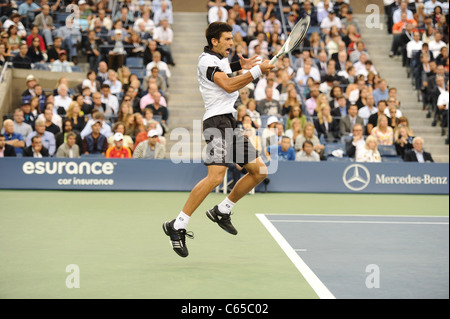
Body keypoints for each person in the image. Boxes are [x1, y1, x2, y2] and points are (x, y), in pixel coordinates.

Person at [162, 22, 274, 258]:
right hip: (216, 123)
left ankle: (222, 210)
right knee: (215, 177)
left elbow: (225, 70)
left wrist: (238, 65)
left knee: (259, 171)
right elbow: (228, 83)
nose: (231, 43)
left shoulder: (219, 59)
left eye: (232, 39)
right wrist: (255, 72)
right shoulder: (206, 60)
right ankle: (178, 225)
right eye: (227, 39)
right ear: (214, 40)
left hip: (230, 123)